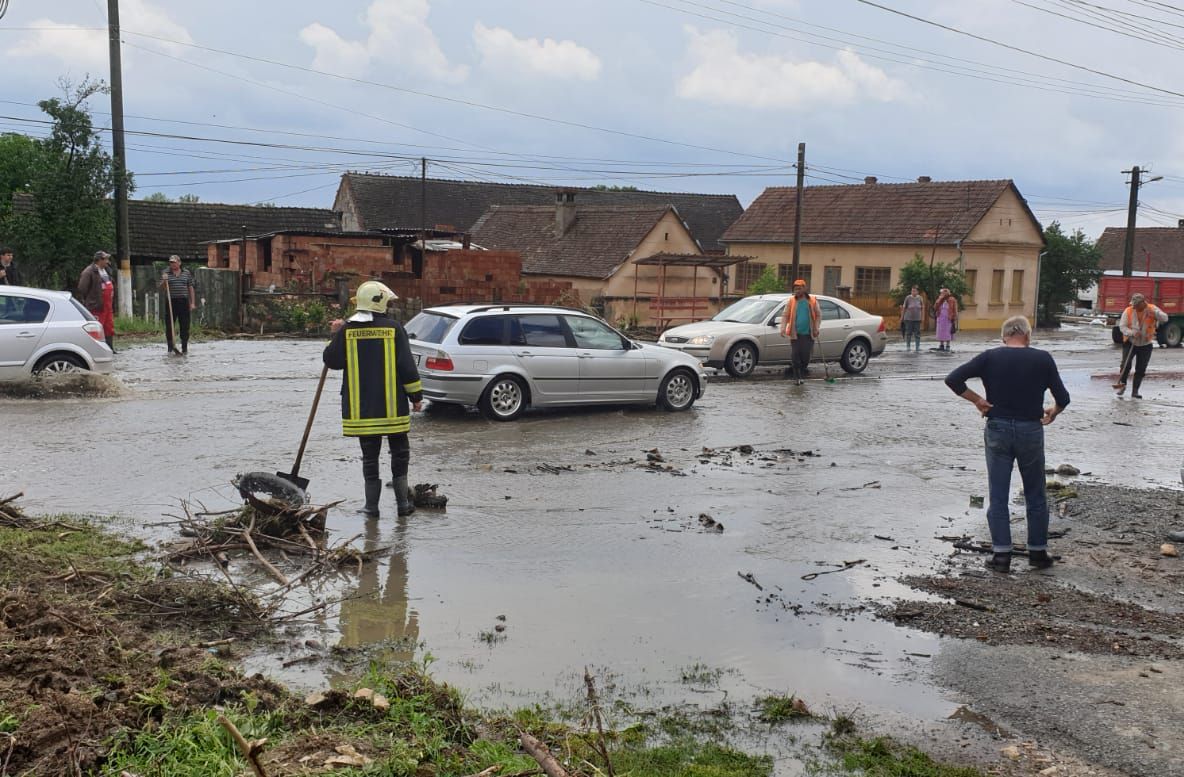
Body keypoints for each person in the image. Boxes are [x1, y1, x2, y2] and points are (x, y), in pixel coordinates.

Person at [945, 316, 1070, 573]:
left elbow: (954, 379)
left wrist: (978, 400)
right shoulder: (1043, 359)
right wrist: (1054, 411)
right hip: (1030, 429)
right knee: (1035, 492)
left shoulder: (990, 357)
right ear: (1028, 335)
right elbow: (1063, 397)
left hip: (998, 428)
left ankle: (1001, 555)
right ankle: (1038, 552)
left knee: (999, 493)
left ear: (1004, 336)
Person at [323, 280, 423, 518]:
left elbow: (331, 361)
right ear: (380, 302)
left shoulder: (347, 330)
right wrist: (416, 397)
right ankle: (402, 505)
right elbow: (407, 367)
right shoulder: (394, 328)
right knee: (400, 453)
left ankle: (372, 507)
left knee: (369, 458)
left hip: (363, 410)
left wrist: (335, 334)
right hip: (393, 409)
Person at [1113, 293, 1168, 399]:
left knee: (1141, 368)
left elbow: (1165, 318)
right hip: (1130, 342)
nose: (1134, 307)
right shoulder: (1128, 311)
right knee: (1125, 365)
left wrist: (1155, 313)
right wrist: (1132, 333)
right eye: (1133, 305)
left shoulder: (1152, 309)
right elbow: (1122, 327)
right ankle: (1122, 385)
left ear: (1143, 303)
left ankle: (1135, 391)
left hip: (1146, 344)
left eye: (1137, 305)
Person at [77, 250, 116, 351]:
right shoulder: (89, 271)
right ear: (99, 260)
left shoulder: (106, 270)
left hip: (108, 305)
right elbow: (82, 288)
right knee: (97, 328)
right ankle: (96, 349)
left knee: (109, 327)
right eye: (106, 259)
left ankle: (110, 348)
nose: (108, 261)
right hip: (97, 306)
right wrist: (92, 300)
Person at [782, 279, 820, 379]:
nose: (797, 291)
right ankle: (797, 377)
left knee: (805, 357)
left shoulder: (812, 300)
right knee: (795, 356)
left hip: (808, 334)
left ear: (804, 288)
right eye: (795, 289)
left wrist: (816, 328)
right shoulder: (791, 301)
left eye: (799, 288)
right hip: (795, 334)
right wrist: (782, 328)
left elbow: (818, 315)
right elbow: (785, 315)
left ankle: (802, 373)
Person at [160, 255, 197, 355]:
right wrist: (164, 281)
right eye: (171, 262)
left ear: (179, 263)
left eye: (174, 262)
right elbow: (162, 288)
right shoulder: (166, 273)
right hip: (171, 302)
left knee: (185, 325)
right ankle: (170, 347)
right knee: (169, 325)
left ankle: (184, 348)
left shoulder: (186, 273)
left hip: (183, 302)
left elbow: (190, 288)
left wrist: (192, 303)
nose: (172, 264)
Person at [900, 285, 924, 352]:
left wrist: (922, 317)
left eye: (914, 291)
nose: (913, 292)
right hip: (908, 318)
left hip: (917, 318)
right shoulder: (908, 298)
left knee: (917, 333)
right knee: (908, 333)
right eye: (912, 291)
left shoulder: (920, 298)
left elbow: (923, 308)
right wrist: (902, 317)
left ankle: (917, 347)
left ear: (917, 292)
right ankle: (908, 346)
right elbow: (904, 308)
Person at [933, 287, 958, 351]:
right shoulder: (940, 299)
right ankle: (941, 345)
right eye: (942, 293)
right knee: (941, 331)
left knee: (948, 332)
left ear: (947, 293)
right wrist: (939, 299)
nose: (942, 294)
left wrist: (955, 316)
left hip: (948, 318)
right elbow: (935, 307)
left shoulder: (952, 299)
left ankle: (948, 345)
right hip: (940, 317)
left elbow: (955, 308)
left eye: (944, 292)